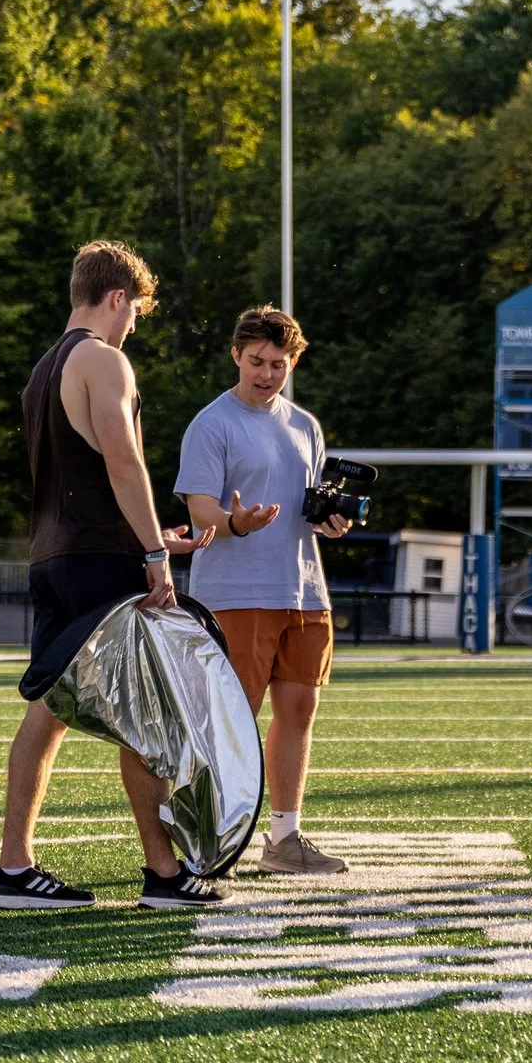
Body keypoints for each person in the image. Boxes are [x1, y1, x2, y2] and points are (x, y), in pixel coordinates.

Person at [0, 242, 215, 912]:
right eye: (136, 311)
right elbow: (121, 459)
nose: (133, 326)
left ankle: (13, 869)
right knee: (148, 715)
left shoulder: (42, 370)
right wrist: (153, 553)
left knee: (48, 712)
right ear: (118, 297)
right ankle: (164, 874)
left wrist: (150, 533)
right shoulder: (103, 358)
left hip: (53, 559)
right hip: (101, 564)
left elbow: (80, 480)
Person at [175, 307, 355, 876]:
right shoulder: (212, 424)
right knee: (233, 719)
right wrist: (235, 523)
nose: (267, 374)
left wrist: (332, 521)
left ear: (292, 363)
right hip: (236, 591)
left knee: (298, 711)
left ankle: (284, 839)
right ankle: (213, 837)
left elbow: (309, 507)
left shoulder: (305, 424)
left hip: (304, 589)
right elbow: (200, 510)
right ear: (236, 355)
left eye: (279, 364)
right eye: (257, 361)